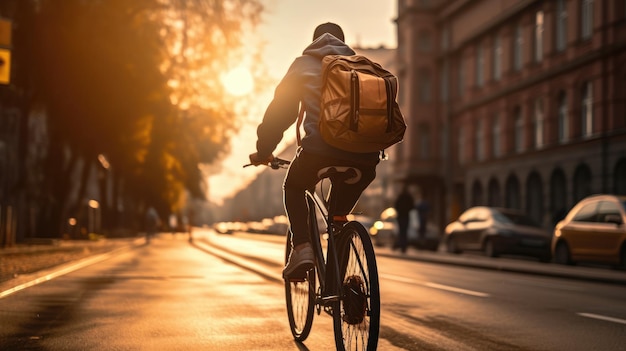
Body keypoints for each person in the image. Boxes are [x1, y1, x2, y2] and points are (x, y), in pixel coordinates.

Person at [249, 23, 380, 279]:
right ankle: (338, 282)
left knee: (295, 187)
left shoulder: (304, 64)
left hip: (319, 152)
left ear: (313, 42)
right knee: (338, 214)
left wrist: (264, 149)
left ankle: (302, 248)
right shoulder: (361, 66)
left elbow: (281, 113)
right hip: (365, 159)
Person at [393, 185, 414, 253]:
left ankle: (402, 246)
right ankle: (403, 246)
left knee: (402, 231)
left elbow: (396, 205)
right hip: (405, 216)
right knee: (404, 232)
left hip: (402, 216)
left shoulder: (401, 197)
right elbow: (412, 206)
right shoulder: (408, 197)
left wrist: (400, 210)